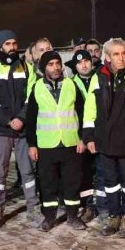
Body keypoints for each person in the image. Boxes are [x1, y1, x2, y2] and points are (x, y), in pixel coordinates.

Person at [83, 38, 125, 238]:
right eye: (115, 54)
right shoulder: (98, 77)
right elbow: (90, 110)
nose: (120, 57)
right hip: (105, 141)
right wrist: (89, 137)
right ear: (107, 57)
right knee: (110, 182)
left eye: (123, 53)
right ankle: (113, 217)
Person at [0, 29, 39, 227]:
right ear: (0, 46)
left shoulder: (26, 67)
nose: (12, 47)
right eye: (8, 44)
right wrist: (8, 120)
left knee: (27, 171)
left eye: (14, 43)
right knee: (0, 172)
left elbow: (32, 97)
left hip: (22, 129)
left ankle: (33, 208)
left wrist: (22, 118)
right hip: (0, 129)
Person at [26, 51, 87, 231]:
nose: (55, 67)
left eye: (57, 63)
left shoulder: (71, 85)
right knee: (47, 183)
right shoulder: (36, 87)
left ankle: (73, 217)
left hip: (70, 143)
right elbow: (31, 118)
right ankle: (49, 218)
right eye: (51, 64)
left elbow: (83, 113)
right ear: (44, 68)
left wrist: (83, 138)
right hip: (46, 145)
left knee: (72, 182)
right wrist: (32, 144)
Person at [71, 49, 105, 225]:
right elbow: (71, 115)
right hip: (82, 138)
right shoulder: (70, 84)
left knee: (101, 171)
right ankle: (88, 206)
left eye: (86, 61)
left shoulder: (101, 79)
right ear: (75, 66)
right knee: (84, 173)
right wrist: (79, 138)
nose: (83, 65)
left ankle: (102, 205)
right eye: (79, 62)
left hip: (100, 135)